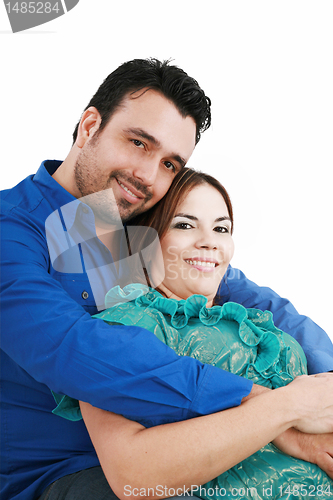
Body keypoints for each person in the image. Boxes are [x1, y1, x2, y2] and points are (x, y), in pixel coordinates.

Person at [0, 58, 332, 500]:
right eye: (138, 142)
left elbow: (256, 299)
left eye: (171, 164)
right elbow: (75, 349)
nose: (148, 176)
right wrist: (266, 406)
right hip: (63, 474)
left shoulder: (124, 227)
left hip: (179, 445)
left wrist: (325, 385)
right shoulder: (12, 231)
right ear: (89, 126)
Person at [52, 168, 333, 499]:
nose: (209, 241)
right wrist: (289, 406)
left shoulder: (257, 321)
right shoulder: (121, 328)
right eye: (184, 224)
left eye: (221, 228)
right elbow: (133, 473)